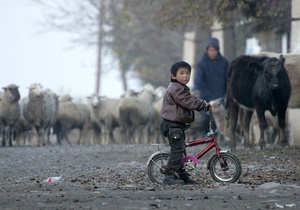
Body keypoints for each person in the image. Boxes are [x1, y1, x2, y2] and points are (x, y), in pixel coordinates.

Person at [160, 61, 211, 185]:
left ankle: (182, 175)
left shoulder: (180, 88)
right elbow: (187, 101)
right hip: (172, 125)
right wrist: (202, 104)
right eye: (181, 73)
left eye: (188, 73)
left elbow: (188, 99)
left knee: (181, 149)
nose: (185, 76)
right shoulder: (176, 89)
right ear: (173, 76)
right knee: (177, 149)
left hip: (177, 124)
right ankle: (169, 174)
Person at [193, 37, 229, 134]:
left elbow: (228, 79)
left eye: (214, 50)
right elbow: (198, 80)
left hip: (220, 95)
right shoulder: (202, 63)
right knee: (206, 119)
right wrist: (198, 91)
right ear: (207, 51)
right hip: (207, 96)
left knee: (223, 118)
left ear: (217, 50)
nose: (212, 52)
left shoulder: (224, 63)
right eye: (210, 50)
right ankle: (207, 137)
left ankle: (223, 137)